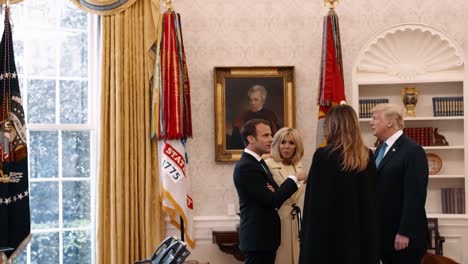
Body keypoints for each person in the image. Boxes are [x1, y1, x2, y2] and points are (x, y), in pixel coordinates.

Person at [299, 104, 379, 264]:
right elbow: (372, 201)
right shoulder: (366, 155)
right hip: (359, 236)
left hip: (328, 238)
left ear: (333, 126)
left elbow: (314, 205)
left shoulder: (323, 156)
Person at [233, 119, 307, 264]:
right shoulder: (247, 166)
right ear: (251, 139)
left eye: (271, 135)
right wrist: (294, 178)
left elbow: (275, 192)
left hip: (266, 239)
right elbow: (272, 199)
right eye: (266, 135)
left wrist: (275, 193)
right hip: (258, 239)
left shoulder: (257, 163)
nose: (271, 139)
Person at [370, 103, 429, 264]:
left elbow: (415, 195)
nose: (371, 122)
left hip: (403, 239)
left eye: (375, 118)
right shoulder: (380, 149)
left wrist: (405, 232)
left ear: (389, 122)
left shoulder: (412, 151)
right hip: (384, 235)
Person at [265, 127, 305, 264]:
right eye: (283, 142)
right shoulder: (268, 165)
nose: (287, 146)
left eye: (291, 143)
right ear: (276, 144)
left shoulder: (298, 165)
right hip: (277, 219)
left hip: (294, 221)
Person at [228, 85, 281, 149]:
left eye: (256, 100)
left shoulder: (270, 115)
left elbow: (275, 136)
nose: (252, 103)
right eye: (251, 100)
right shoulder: (244, 115)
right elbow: (237, 135)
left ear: (263, 101)